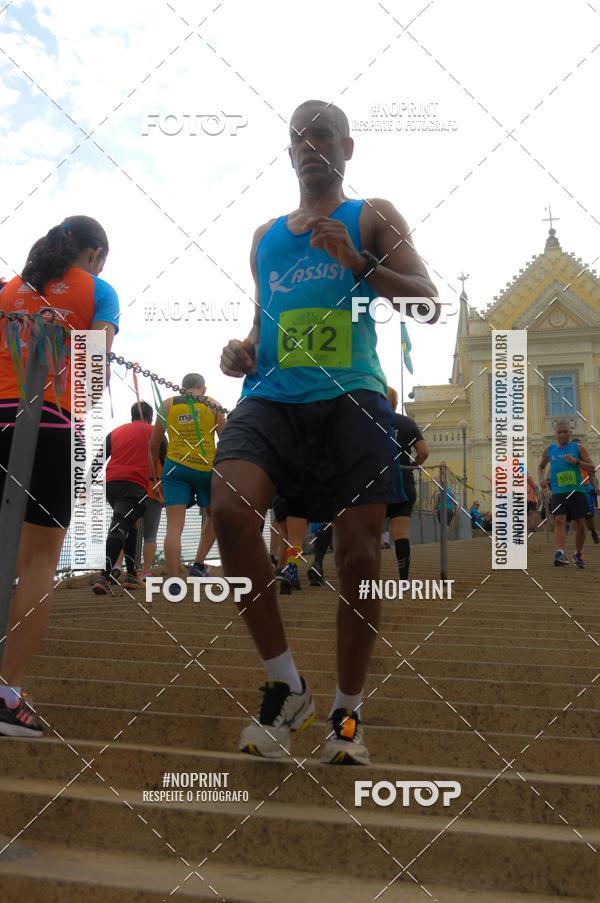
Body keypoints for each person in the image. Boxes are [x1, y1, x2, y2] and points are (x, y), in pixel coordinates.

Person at [211, 99, 438, 765]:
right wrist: (242, 350)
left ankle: (346, 711)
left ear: (347, 149)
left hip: (352, 399)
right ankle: (287, 685)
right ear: (288, 156)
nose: (311, 146)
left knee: (360, 555)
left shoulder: (371, 215)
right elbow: (265, 321)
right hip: (272, 398)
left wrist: (361, 262)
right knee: (228, 507)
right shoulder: (264, 237)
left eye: (324, 136)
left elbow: (426, 302)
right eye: (299, 138)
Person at [0, 216, 118, 736]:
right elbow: (93, 380)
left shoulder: (9, 290)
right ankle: (8, 693)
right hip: (50, 424)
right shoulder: (98, 291)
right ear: (93, 255)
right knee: (40, 560)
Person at [149, 373, 225, 596]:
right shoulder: (213, 404)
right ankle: (198, 566)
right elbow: (227, 441)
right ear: (203, 388)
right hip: (205, 469)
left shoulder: (168, 404)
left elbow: (153, 445)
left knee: (174, 526)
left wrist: (155, 478)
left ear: (182, 388)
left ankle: (173, 581)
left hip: (174, 469)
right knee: (213, 515)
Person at [92, 401, 165, 594]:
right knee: (119, 527)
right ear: (150, 418)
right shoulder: (155, 433)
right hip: (134, 487)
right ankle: (104, 576)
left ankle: (132, 574)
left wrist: (85, 484)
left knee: (131, 524)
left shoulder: (116, 432)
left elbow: (98, 460)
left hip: (111, 485)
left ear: (132, 415)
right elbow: (167, 462)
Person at [538, 420, 595, 568]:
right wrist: (541, 480)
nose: (562, 434)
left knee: (581, 525)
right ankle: (560, 552)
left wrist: (576, 462)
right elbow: (541, 466)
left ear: (570, 433)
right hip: (558, 492)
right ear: (555, 434)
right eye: (559, 432)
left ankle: (578, 553)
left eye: (565, 432)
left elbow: (592, 468)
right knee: (559, 520)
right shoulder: (549, 450)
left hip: (577, 490)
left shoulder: (578, 448)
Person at [385, 386, 428, 580]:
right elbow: (424, 452)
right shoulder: (407, 423)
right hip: (403, 480)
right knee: (400, 532)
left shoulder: (368, 422)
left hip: (376, 483)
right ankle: (403, 580)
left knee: (370, 533)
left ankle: (364, 578)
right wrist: (412, 465)